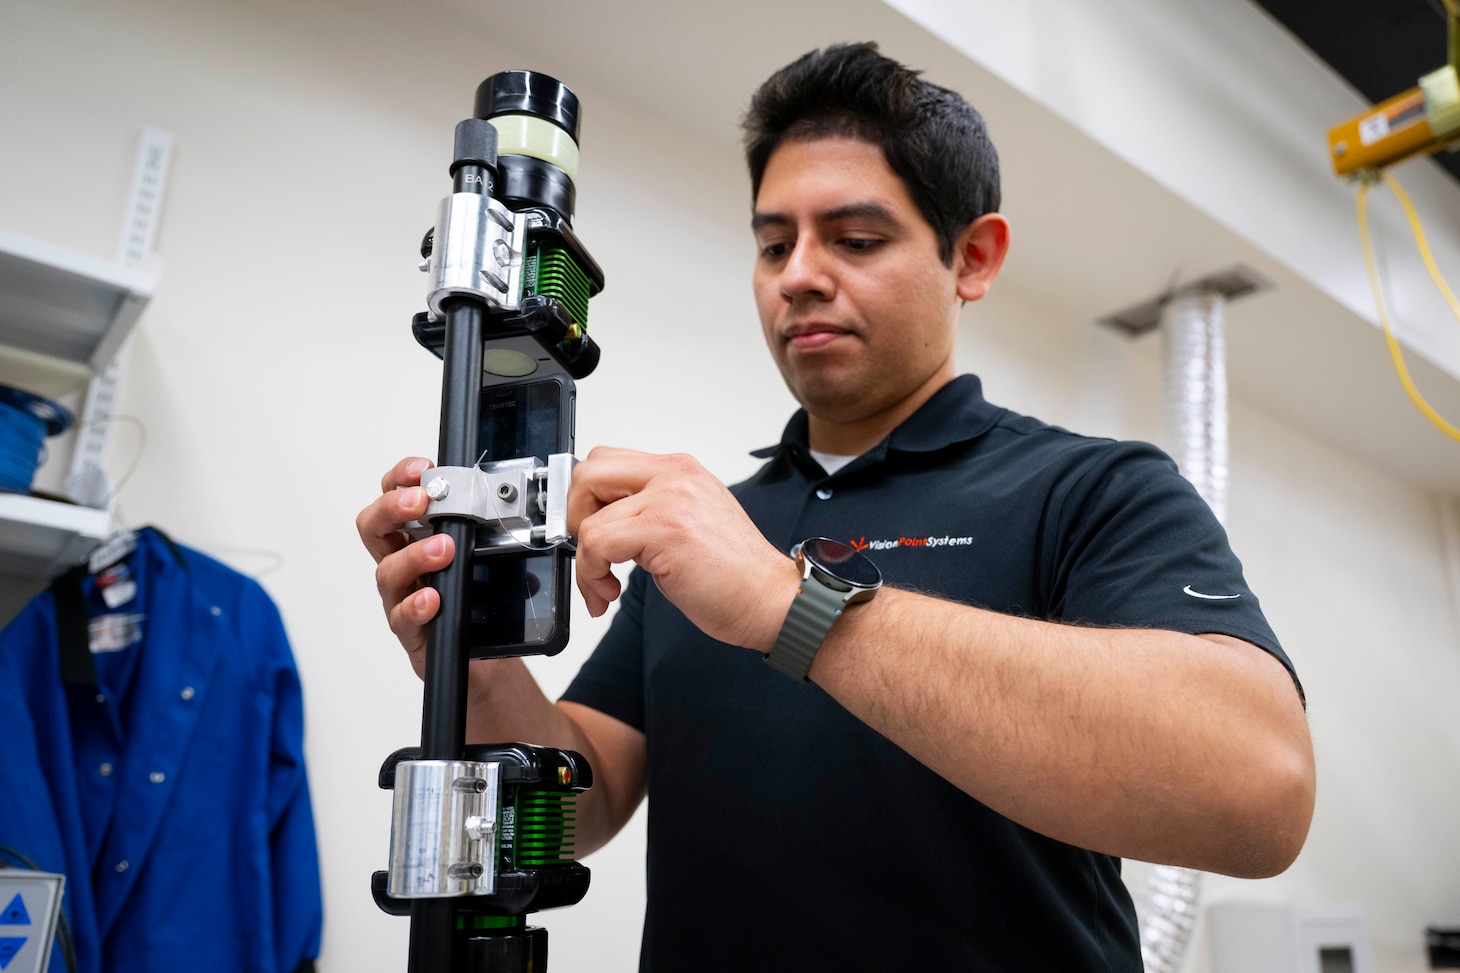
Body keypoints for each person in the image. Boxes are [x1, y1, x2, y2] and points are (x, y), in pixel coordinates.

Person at [358, 42, 1315, 970]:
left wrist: (791, 605)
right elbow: (589, 799)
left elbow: (1257, 789)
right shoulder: (703, 533)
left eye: (856, 239)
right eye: (775, 243)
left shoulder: (1091, 489)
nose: (799, 274)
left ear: (972, 258)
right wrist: (471, 656)